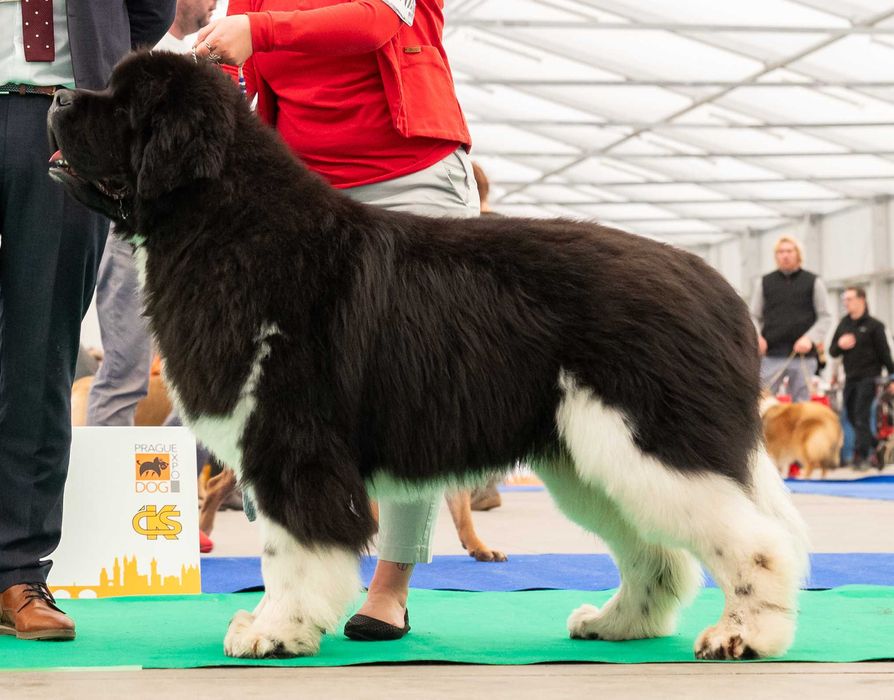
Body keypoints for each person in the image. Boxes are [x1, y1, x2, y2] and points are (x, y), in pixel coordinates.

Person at [194, 0, 478, 640]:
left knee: (415, 392)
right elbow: (228, 59)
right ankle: (290, 594)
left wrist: (256, 30)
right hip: (299, 188)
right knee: (280, 402)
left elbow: (380, 18)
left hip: (414, 177)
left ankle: (390, 589)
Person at [0, 0, 175, 642]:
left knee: (41, 356)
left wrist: (101, 62)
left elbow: (151, 8)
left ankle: (18, 572)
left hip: (65, 122)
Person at [87, 0, 217, 428]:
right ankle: (106, 490)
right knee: (125, 375)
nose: (215, 3)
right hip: (134, 234)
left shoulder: (213, 52)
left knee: (210, 384)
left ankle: (179, 484)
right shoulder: (121, 52)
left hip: (199, 243)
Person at [750, 235, 832, 402]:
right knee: (761, 403)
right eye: (780, 252)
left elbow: (825, 317)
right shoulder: (764, 282)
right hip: (771, 355)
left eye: (789, 251)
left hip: (803, 357)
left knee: (803, 406)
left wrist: (810, 339)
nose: (785, 255)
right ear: (776, 256)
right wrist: (757, 337)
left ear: (798, 254)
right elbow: (754, 315)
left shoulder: (814, 282)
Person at [829, 286, 894, 469]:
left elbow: (885, 355)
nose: (846, 303)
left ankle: (863, 456)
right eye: (845, 300)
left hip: (870, 378)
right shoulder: (844, 324)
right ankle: (875, 446)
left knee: (861, 415)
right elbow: (832, 351)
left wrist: (892, 377)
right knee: (850, 415)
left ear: (862, 300)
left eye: (849, 299)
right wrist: (840, 345)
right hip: (850, 378)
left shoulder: (875, 326)